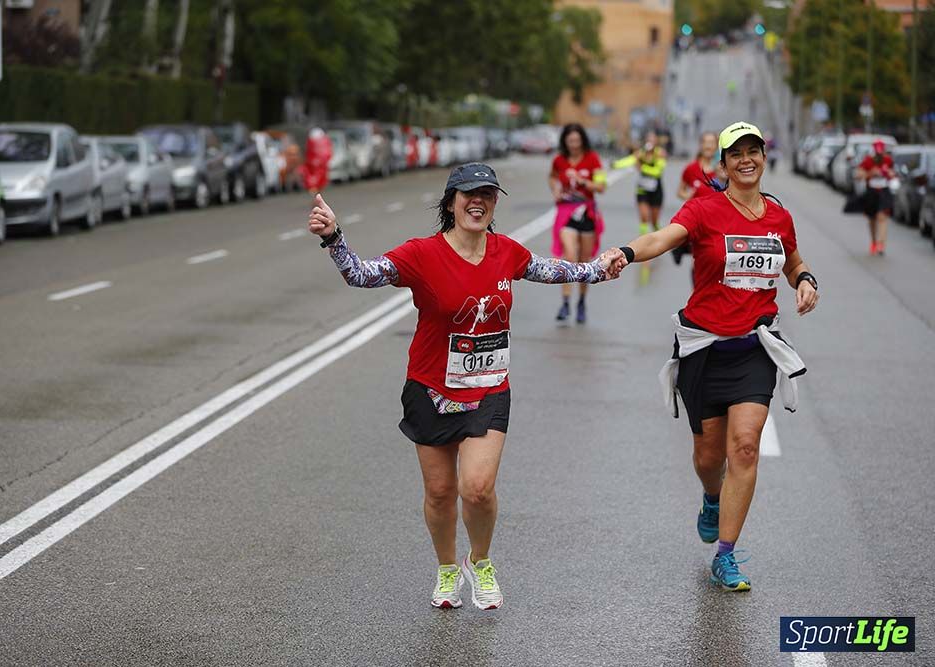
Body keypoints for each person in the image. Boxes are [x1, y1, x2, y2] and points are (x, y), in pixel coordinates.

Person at [307, 163, 623, 610]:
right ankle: (447, 568)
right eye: (468, 194)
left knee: (476, 488)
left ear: (494, 204)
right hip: (430, 387)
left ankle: (482, 561)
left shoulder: (505, 252)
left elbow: (548, 269)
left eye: (488, 195)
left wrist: (595, 270)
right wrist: (333, 237)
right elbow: (361, 274)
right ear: (451, 202)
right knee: (439, 492)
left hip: (489, 387)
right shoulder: (422, 254)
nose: (478, 202)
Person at [606, 122, 819, 591]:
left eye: (754, 151)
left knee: (744, 445)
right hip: (704, 348)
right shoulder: (704, 210)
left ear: (764, 158)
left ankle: (726, 555)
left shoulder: (778, 217)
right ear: (722, 165)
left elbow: (793, 261)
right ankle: (710, 496)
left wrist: (806, 281)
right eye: (736, 153)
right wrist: (625, 251)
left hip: (754, 348)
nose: (746, 159)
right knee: (708, 457)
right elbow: (662, 238)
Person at [548, 123, 607, 323]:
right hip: (566, 212)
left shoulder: (592, 159)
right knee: (569, 256)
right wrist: (556, 190)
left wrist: (583, 182)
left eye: (577, 140)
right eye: (570, 140)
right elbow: (552, 177)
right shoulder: (559, 160)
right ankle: (565, 302)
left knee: (583, 262)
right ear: (565, 141)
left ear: (582, 140)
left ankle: (581, 302)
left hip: (587, 212)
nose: (573, 144)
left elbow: (601, 186)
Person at [673, 131, 724, 269]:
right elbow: (680, 191)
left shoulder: (722, 169)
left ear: (716, 146)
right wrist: (689, 196)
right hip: (697, 220)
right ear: (701, 145)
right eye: (705, 143)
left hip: (717, 220)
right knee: (699, 259)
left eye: (711, 143)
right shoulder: (691, 169)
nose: (708, 146)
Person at [614, 131, 668, 236]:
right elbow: (630, 160)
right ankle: (643, 238)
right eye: (648, 139)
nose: (650, 142)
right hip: (642, 189)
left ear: (656, 141)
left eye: (653, 139)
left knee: (654, 220)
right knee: (644, 216)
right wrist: (615, 164)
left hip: (656, 190)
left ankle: (659, 237)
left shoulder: (660, 154)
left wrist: (642, 168)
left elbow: (657, 171)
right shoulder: (641, 153)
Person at [855, 140, 895, 256]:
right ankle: (873, 241)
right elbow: (858, 175)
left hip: (884, 191)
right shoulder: (868, 161)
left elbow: (893, 173)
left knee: (882, 217)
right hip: (871, 192)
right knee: (872, 219)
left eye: (881, 154)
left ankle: (881, 244)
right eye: (877, 154)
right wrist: (871, 173)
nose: (879, 156)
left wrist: (889, 173)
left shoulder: (888, 160)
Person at [301, 128, 332, 194]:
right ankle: (316, 195)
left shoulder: (317, 143)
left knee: (317, 181)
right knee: (317, 181)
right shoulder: (323, 142)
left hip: (318, 165)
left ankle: (316, 195)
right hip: (319, 165)